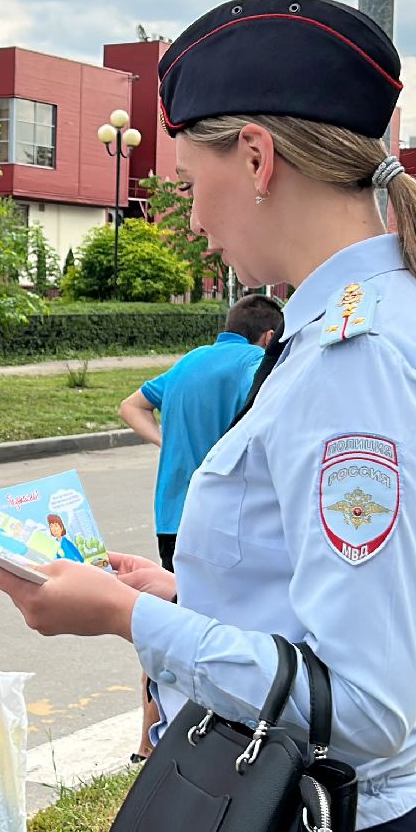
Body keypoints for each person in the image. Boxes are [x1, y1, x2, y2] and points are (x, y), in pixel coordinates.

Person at [0, 0, 416, 832]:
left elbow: (365, 704)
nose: (188, 213)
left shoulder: (360, 358)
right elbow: (318, 607)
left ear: (256, 159)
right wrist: (183, 594)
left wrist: (128, 619)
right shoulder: (339, 330)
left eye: (188, 179)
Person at [115, 292, 283, 760]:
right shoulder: (257, 364)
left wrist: (167, 441)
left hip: (172, 515)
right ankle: (216, 741)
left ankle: (147, 743)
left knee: (169, 617)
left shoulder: (189, 363)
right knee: (223, 630)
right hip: (224, 520)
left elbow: (131, 406)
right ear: (269, 336)